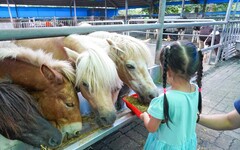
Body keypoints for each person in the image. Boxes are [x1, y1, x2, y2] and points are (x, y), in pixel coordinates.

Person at [140, 41, 203, 149]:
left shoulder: (164, 100)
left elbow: (152, 128)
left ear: (168, 71)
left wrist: (144, 116)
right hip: (186, 143)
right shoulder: (195, 89)